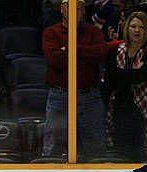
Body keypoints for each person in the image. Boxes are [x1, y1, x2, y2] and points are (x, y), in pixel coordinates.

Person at [42, 0, 108, 161]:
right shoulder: (51, 32)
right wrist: (85, 53)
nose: (75, 10)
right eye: (71, 6)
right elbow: (54, 59)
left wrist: (72, 48)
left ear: (83, 10)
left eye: (79, 7)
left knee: (95, 145)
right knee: (53, 144)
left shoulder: (93, 32)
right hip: (60, 96)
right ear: (62, 9)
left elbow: (100, 53)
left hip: (89, 97)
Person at [104, 11, 147, 162]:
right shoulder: (116, 50)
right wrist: (132, 72)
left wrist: (121, 74)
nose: (136, 30)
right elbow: (109, 78)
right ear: (127, 28)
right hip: (119, 108)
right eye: (133, 26)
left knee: (140, 155)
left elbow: (142, 77)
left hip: (145, 109)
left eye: (141, 27)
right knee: (121, 153)